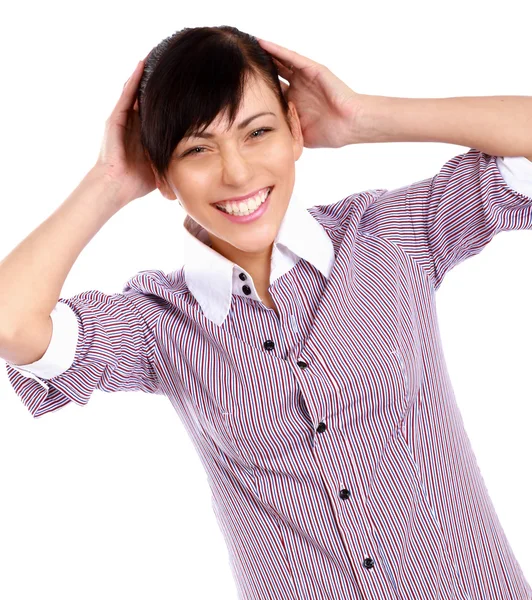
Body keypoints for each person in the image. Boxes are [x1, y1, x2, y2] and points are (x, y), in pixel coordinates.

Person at [1, 24, 532, 600]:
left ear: (294, 128)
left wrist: (362, 117)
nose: (237, 172)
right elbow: (12, 324)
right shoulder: (161, 325)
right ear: (164, 174)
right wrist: (108, 183)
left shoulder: (390, 235)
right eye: (197, 149)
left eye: (257, 132)